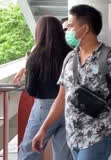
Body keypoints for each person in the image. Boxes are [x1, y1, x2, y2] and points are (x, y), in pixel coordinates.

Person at [32, 4, 111, 160]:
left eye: (71, 26)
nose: (66, 31)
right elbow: (62, 97)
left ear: (84, 29)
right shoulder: (69, 58)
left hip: (98, 134)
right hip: (73, 136)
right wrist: (44, 129)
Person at [18, 16, 72, 160]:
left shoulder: (35, 57)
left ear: (39, 33)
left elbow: (31, 90)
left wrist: (27, 69)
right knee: (64, 154)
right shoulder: (71, 54)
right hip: (69, 108)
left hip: (44, 109)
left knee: (29, 150)